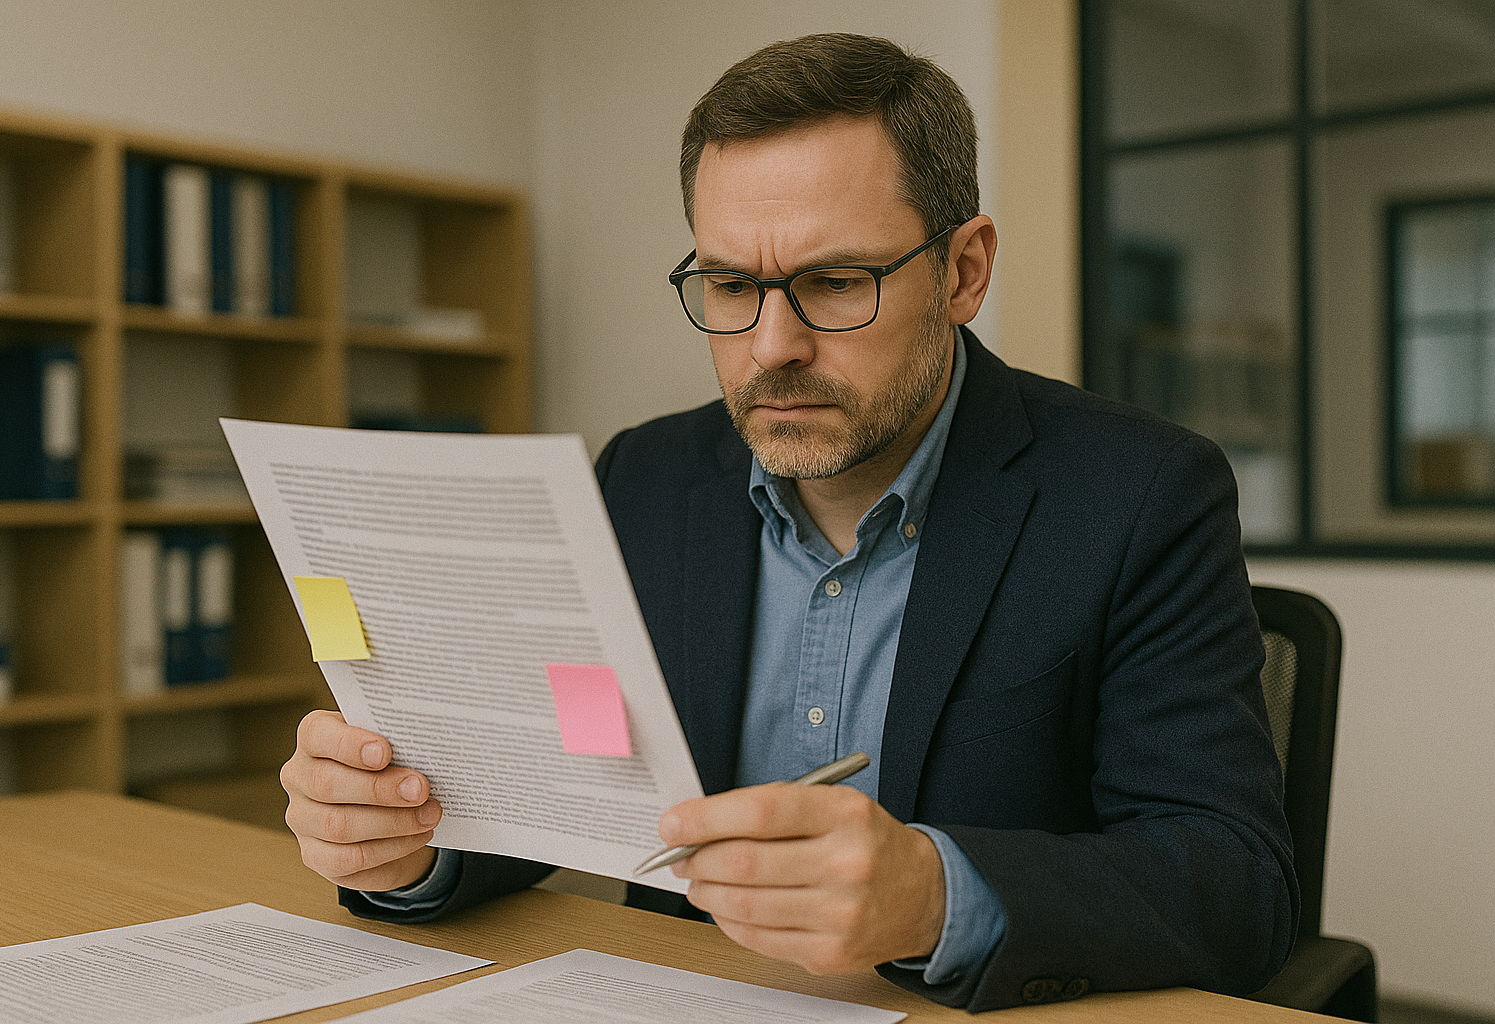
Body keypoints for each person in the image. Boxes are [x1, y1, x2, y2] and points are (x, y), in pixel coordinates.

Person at [278, 33, 1297, 1012]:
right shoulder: (646, 477)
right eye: (729, 285)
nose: (772, 346)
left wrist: (935, 894)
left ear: (965, 271)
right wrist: (410, 845)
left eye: (835, 283)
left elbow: (1234, 881)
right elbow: (574, 781)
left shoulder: (1140, 492)